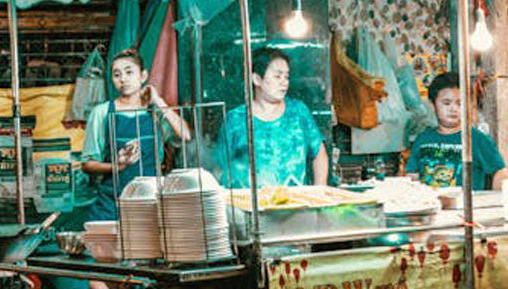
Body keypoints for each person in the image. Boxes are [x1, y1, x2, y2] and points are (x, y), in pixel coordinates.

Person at [81, 48, 190, 221]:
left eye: (129, 72)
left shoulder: (155, 113)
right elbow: (87, 164)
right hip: (112, 204)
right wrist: (117, 167)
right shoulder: (101, 113)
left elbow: (185, 135)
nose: (123, 79)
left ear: (143, 76)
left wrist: (158, 101)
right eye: (117, 75)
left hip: (151, 201)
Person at [215, 49, 328, 188]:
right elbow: (220, 167)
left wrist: (320, 189)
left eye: (286, 77)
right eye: (277, 76)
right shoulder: (236, 119)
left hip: (295, 206)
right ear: (256, 79)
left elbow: (319, 153)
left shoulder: (298, 112)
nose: (284, 83)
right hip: (247, 206)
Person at [407, 72, 508, 190]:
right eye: (446, 103)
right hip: (429, 205)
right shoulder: (423, 139)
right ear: (432, 105)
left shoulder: (478, 139)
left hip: (466, 207)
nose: (453, 109)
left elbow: (500, 173)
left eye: (460, 103)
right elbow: (412, 176)